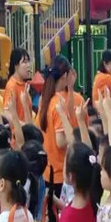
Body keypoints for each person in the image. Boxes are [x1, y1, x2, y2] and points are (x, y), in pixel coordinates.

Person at [38, 55, 85, 213]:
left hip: (47, 169)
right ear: (65, 75)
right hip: (59, 172)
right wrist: (73, 136)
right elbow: (60, 141)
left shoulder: (45, 99)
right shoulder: (58, 102)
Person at [3, 48, 32, 123]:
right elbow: (6, 113)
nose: (28, 65)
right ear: (16, 65)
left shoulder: (24, 84)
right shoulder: (12, 85)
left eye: (28, 61)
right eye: (24, 62)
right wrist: (22, 125)